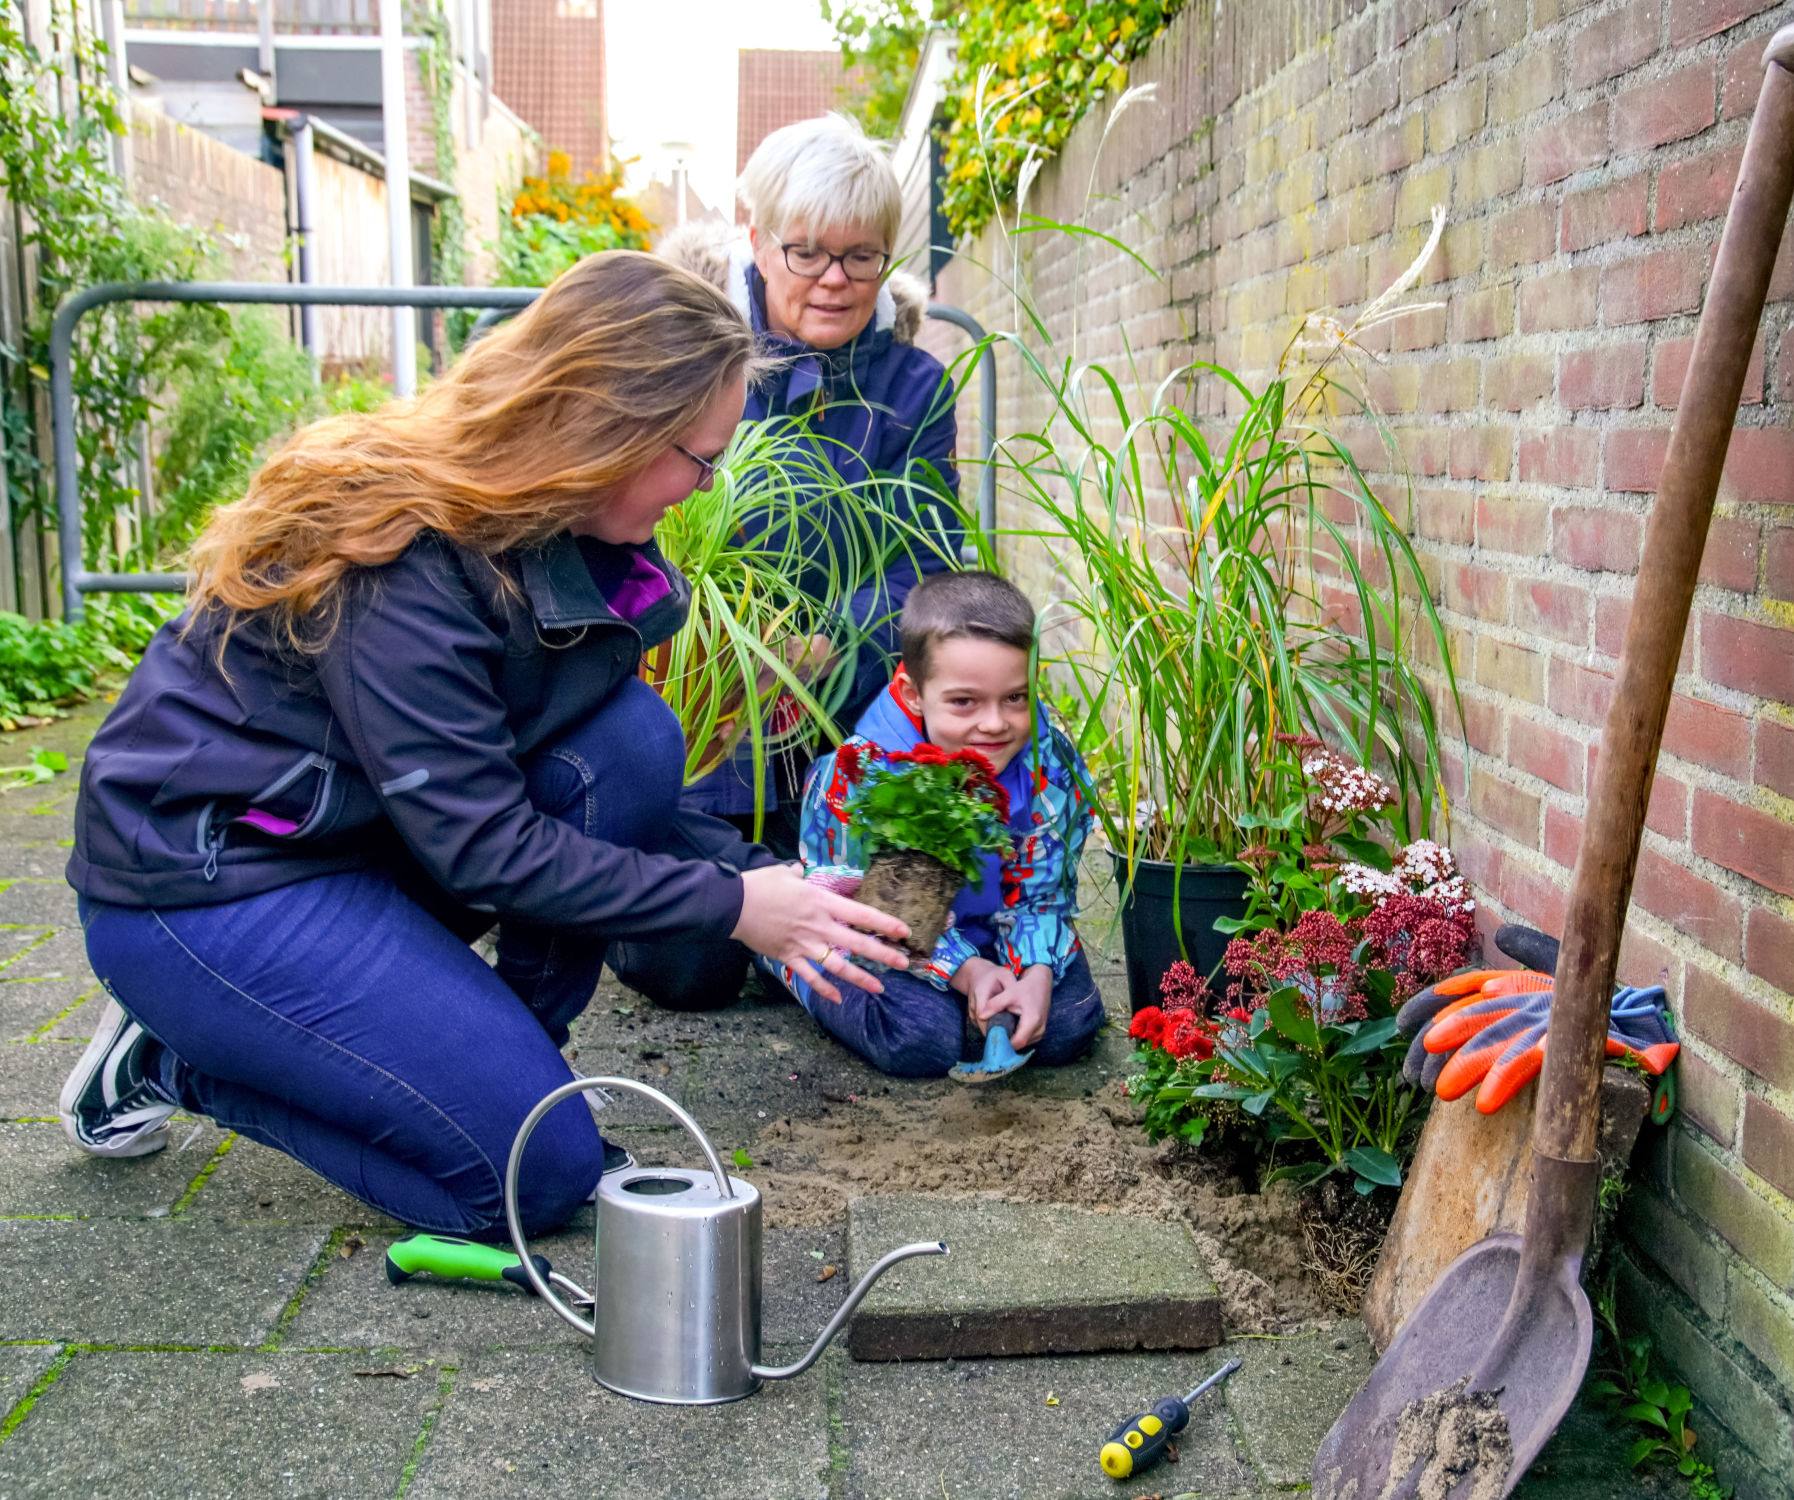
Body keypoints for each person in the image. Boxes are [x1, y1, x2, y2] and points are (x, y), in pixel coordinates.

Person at [59, 251, 911, 1240]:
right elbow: (484, 846)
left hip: (357, 835)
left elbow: (599, 792)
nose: (702, 487)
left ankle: (500, 1070)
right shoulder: (402, 553)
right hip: (208, 880)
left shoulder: (554, 525)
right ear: (613, 427)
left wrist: (780, 886)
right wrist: (733, 907)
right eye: (700, 458)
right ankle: (167, 1062)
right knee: (533, 1184)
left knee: (630, 742)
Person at [613, 114, 962, 1009]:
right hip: (695, 715)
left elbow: (922, 565)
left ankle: (800, 897)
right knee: (686, 974)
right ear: (757, 239)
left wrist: (818, 649)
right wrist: (722, 650)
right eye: (807, 252)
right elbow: (627, 521)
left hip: (837, 710)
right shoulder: (680, 354)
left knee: (859, 925)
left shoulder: (913, 387)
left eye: (862, 256)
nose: (836, 281)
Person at [758, 570, 1107, 1078]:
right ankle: (785, 964)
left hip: (995, 924)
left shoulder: (1047, 761)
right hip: (882, 928)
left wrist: (1034, 971)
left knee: (1068, 1026)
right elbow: (878, 915)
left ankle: (997, 993)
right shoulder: (866, 776)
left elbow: (1043, 889)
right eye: (964, 701)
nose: (995, 723)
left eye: (1016, 697)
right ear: (914, 691)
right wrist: (967, 971)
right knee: (918, 1040)